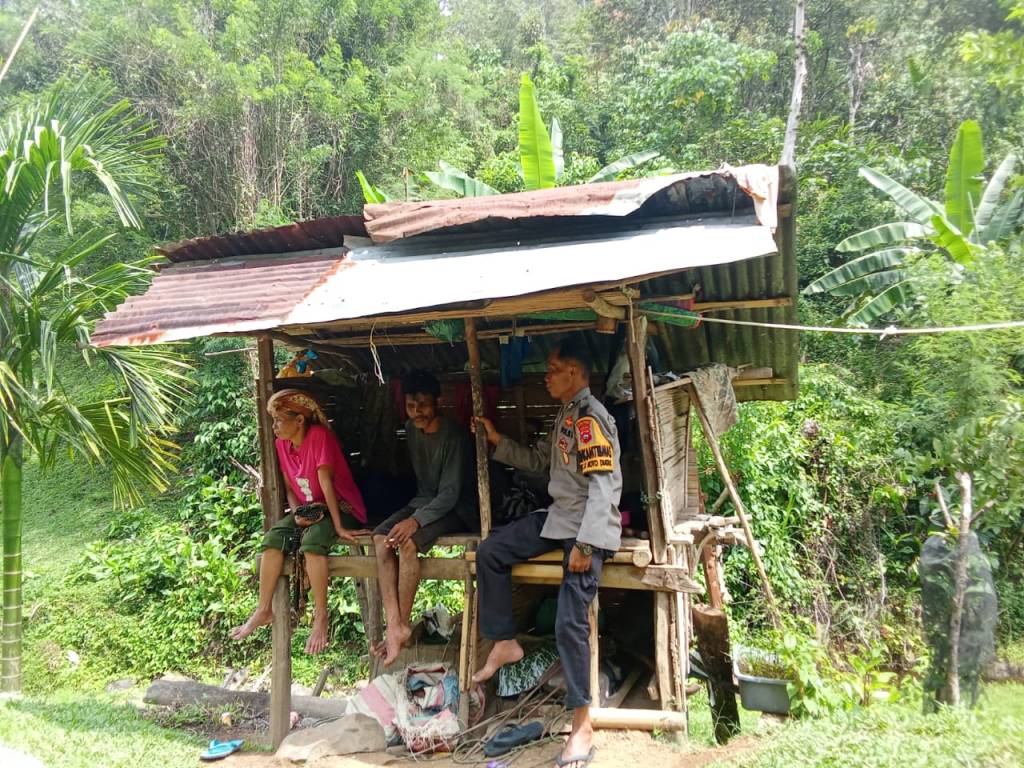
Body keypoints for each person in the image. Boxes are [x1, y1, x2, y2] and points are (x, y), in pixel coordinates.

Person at [472, 337, 621, 768]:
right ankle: (504, 641)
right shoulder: (566, 416)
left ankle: (581, 726)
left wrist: (587, 544)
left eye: (553, 369)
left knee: (569, 624)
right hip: (560, 518)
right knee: (491, 553)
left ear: (574, 373)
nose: (547, 375)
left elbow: (604, 487)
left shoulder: (591, 419)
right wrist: (498, 440)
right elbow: (541, 463)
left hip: (585, 528)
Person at [231, 389, 369, 654]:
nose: (275, 427)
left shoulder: (320, 437)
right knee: (272, 539)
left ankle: (321, 617)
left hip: (340, 507)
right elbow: (289, 485)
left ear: (300, 420)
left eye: (280, 420)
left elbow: (327, 484)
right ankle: (263, 610)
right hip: (310, 508)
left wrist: (339, 527)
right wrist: (298, 515)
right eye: (273, 421)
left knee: (313, 543)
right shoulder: (281, 444)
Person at [371, 370, 477, 666]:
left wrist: (415, 521)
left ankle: (402, 623)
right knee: (380, 539)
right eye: (411, 405)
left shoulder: (453, 436)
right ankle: (394, 623)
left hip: (457, 508)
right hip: (424, 502)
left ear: (438, 402)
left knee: (406, 543)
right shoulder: (410, 428)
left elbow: (451, 492)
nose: (417, 411)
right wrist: (414, 515)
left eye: (423, 404)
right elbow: (425, 489)